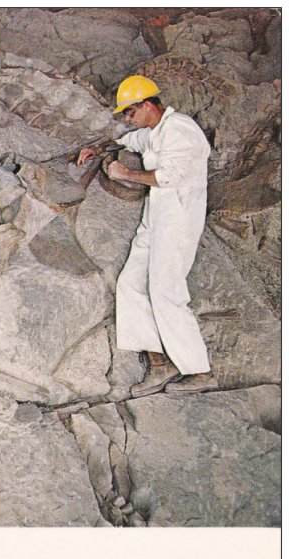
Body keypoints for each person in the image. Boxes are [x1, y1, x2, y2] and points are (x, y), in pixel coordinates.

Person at [77, 75, 217, 396]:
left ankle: (201, 371)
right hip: (155, 219)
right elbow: (130, 141)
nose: (128, 118)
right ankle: (159, 362)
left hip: (179, 220)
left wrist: (127, 173)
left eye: (130, 111)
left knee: (166, 291)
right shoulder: (155, 131)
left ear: (147, 104)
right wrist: (99, 148)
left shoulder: (181, 130)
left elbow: (170, 176)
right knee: (129, 283)